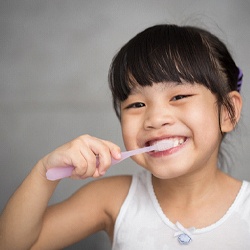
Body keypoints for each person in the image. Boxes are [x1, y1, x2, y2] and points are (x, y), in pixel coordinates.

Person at [0, 24, 249, 249]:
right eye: (136, 104)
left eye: (179, 97)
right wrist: (44, 172)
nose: (155, 118)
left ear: (228, 112)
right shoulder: (112, 198)